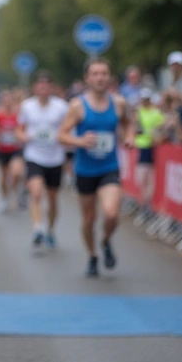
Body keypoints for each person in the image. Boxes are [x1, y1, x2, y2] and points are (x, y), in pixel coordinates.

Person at [58, 58, 133, 278]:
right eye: (95, 74)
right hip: (85, 170)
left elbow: (128, 123)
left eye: (104, 73)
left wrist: (129, 137)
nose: (100, 78)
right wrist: (79, 141)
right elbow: (62, 135)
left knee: (111, 213)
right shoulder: (77, 106)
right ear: (87, 78)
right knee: (89, 219)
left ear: (109, 77)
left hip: (109, 167)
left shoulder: (119, 103)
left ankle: (106, 240)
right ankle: (92, 255)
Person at [16, 71, 68, 249]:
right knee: (36, 193)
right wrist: (23, 137)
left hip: (55, 158)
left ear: (52, 87)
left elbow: (68, 129)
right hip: (34, 156)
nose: (43, 86)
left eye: (47, 83)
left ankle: (50, 231)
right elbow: (19, 129)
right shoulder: (27, 106)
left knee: (53, 199)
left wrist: (66, 145)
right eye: (40, 83)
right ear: (35, 87)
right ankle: (37, 228)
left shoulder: (61, 107)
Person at [133, 88, 166, 219]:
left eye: (147, 99)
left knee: (150, 179)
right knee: (142, 179)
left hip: (153, 147)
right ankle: (143, 206)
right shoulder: (138, 112)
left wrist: (157, 134)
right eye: (143, 99)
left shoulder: (155, 112)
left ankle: (148, 207)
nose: (145, 102)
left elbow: (163, 126)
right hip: (142, 147)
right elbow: (135, 128)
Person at [0, 90, 25, 212]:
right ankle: (4, 199)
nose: (7, 103)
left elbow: (22, 129)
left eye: (9, 101)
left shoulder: (17, 115)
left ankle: (14, 192)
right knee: (3, 177)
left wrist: (19, 136)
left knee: (16, 173)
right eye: (5, 101)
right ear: (2, 102)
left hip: (15, 149)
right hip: (2, 149)